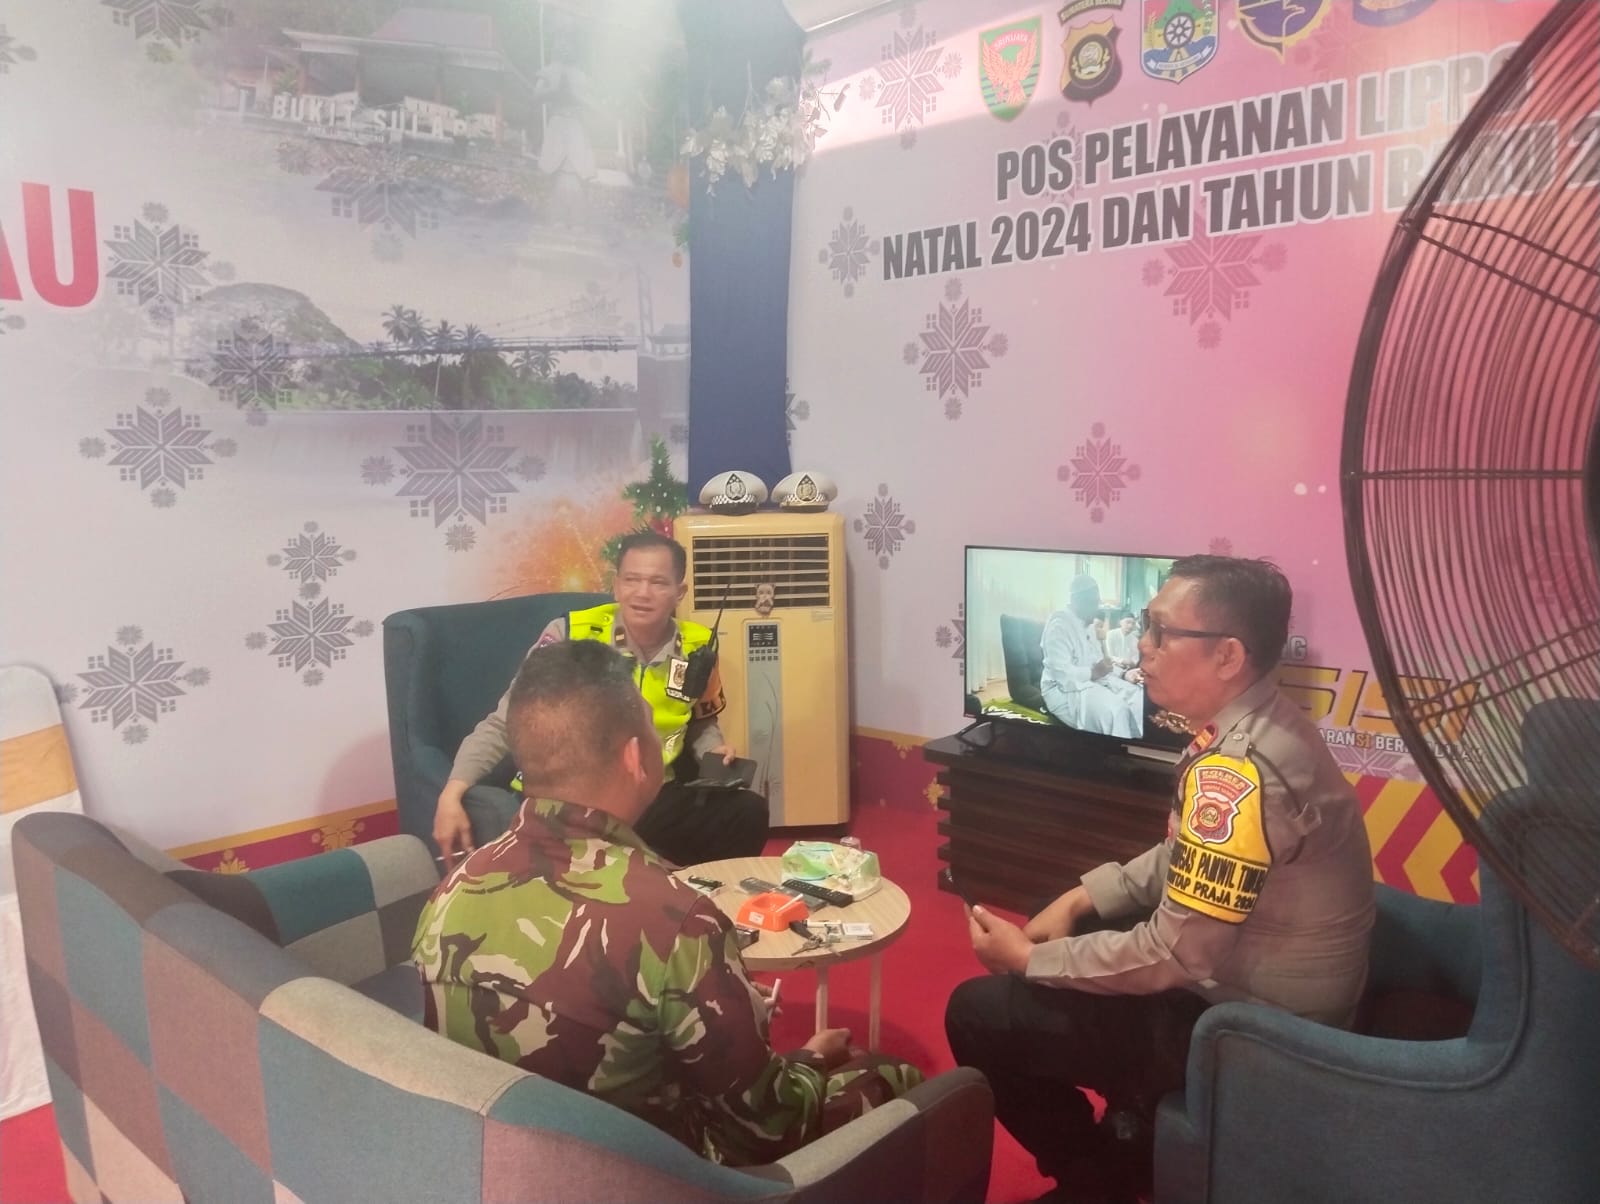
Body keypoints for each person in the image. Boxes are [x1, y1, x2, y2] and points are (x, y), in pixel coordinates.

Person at [946, 556, 1375, 1201]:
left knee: (975, 1013)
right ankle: (1136, 1124)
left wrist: (1032, 961)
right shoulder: (1260, 720)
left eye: (1161, 631)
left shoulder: (1239, 771)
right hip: (1253, 976)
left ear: (1227, 655)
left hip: (1257, 1028)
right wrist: (1081, 896)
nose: (1142, 646)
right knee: (1062, 910)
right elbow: (1183, 856)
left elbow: (1176, 954)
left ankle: (1098, 1177)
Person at [413, 640, 924, 1165]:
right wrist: (809, 1061)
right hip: (648, 1174)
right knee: (893, 1077)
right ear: (636, 757)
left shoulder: (450, 890)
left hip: (494, 1164)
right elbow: (767, 1128)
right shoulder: (678, 918)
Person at [432, 531, 768, 867]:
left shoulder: (699, 646)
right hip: (572, 800)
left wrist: (714, 750)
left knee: (747, 812)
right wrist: (453, 791)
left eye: (657, 583)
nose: (642, 593)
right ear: (616, 585)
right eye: (632, 580)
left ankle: (693, 889)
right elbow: (509, 719)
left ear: (679, 592)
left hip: (650, 793)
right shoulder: (570, 633)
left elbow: (700, 721)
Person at [1040, 575, 1144, 739]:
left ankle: (1138, 747)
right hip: (1062, 691)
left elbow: (1100, 664)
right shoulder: (1059, 625)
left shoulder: (1087, 625)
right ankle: (1116, 752)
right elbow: (1062, 675)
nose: (1097, 608)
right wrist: (1093, 673)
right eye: (1093, 602)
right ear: (1077, 601)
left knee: (1138, 696)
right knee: (1116, 710)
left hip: (1092, 681)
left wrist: (1124, 674)